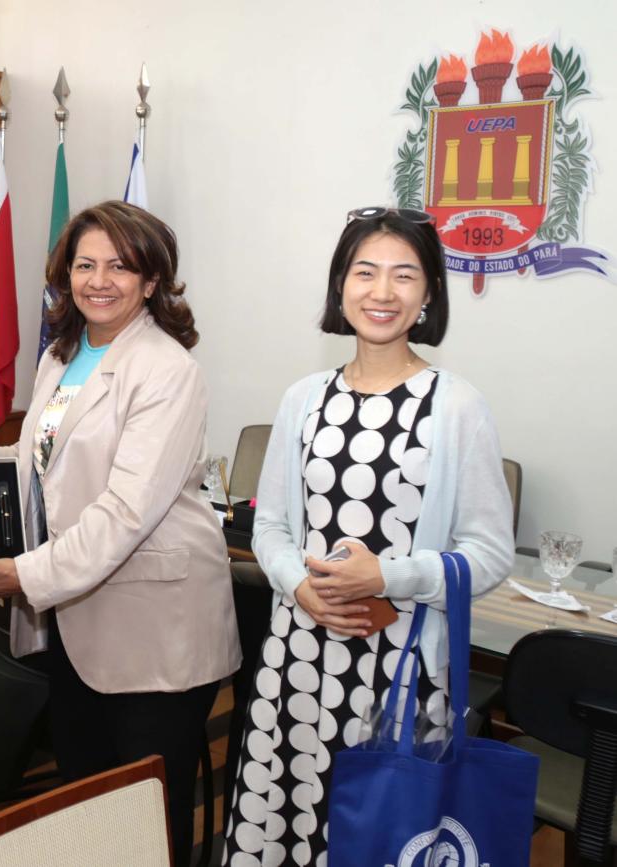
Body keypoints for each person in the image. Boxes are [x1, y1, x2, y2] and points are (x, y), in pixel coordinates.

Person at [0, 200, 241, 861]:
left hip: (155, 631)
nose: (99, 280)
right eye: (85, 265)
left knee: (143, 819)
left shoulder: (167, 369)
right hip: (79, 619)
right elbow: (54, 458)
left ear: (151, 280)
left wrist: (25, 574)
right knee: (87, 798)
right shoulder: (63, 354)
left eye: (119, 266)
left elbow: (127, 508)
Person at [221, 207, 514, 867]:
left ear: (429, 292)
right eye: (365, 272)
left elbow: (492, 552)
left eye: (404, 275)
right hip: (298, 658)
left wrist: (389, 576)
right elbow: (270, 525)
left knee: (382, 836)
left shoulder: (456, 405)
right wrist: (299, 586)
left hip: (401, 670)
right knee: (288, 826)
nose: (383, 292)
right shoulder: (303, 398)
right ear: (340, 285)